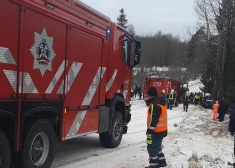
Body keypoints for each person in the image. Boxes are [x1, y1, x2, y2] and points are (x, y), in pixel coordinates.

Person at [146, 87, 168, 168]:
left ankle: (154, 165)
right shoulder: (160, 102)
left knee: (152, 149)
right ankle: (162, 162)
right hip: (162, 131)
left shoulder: (155, 105)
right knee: (158, 147)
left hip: (156, 131)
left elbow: (153, 120)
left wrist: (150, 131)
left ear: (150, 95)